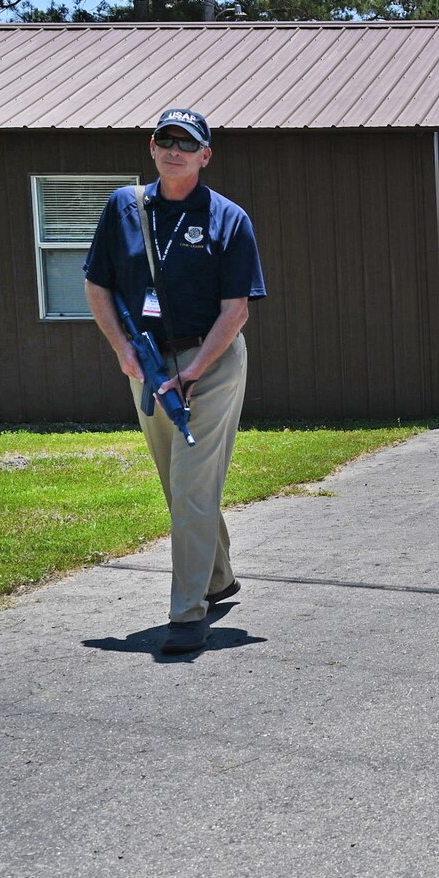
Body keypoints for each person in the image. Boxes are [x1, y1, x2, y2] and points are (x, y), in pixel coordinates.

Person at [82, 108, 266, 653]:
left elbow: (236, 311)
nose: (175, 150)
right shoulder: (123, 208)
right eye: (166, 140)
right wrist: (124, 353)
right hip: (148, 364)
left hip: (210, 362)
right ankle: (218, 576)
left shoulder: (229, 218)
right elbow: (97, 285)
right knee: (178, 482)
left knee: (190, 486)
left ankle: (187, 614)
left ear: (205, 155)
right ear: (152, 147)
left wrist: (192, 372)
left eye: (188, 143)